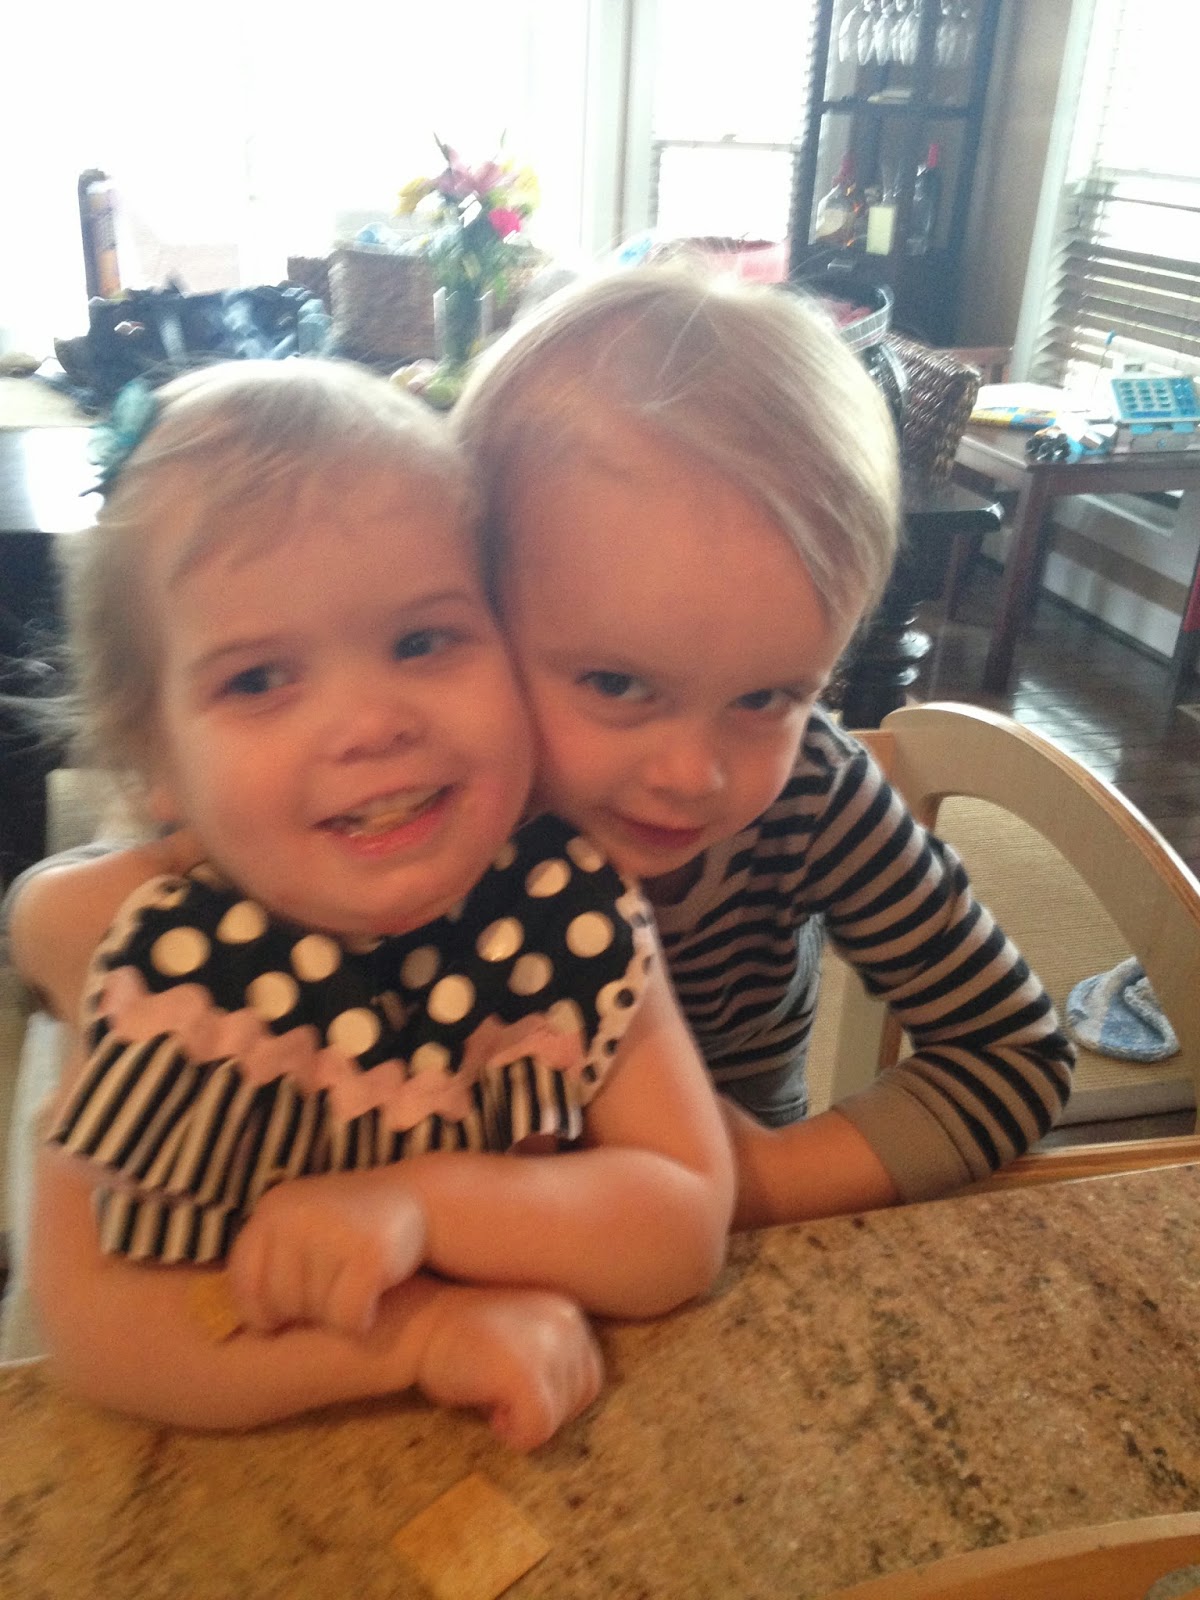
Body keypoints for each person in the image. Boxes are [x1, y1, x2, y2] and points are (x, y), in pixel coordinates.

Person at [10, 358, 733, 1443]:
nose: (369, 721)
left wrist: (420, 1204)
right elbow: (103, 1328)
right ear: (157, 761)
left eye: (422, 641)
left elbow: (681, 1224)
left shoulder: (567, 913)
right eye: (259, 679)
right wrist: (417, 1337)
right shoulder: (160, 967)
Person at [451, 263, 1075, 1226]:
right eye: (617, 684)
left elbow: (1014, 1051)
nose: (691, 776)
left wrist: (763, 1182)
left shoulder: (814, 797)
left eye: (766, 697)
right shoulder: (428, 797)